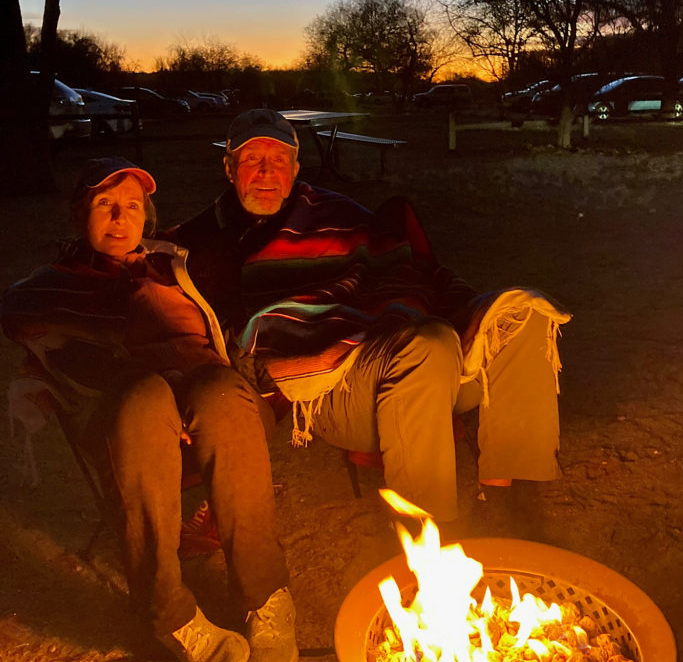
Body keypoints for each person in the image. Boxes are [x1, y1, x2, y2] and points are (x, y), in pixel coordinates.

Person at [172, 110, 571, 533]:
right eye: (253, 159)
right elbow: (160, 306)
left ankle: (503, 499)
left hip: (414, 356)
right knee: (428, 344)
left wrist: (467, 311)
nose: (267, 171)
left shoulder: (335, 212)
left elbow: (410, 267)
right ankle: (428, 541)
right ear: (229, 167)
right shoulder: (205, 242)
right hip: (336, 385)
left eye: (279, 158)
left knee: (524, 310)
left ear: (296, 167)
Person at [1, 157, 297, 662]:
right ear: (80, 214)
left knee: (223, 396)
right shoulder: (55, 281)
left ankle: (265, 595)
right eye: (104, 205)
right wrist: (107, 325)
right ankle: (171, 615)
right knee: (142, 398)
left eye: (132, 207)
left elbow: (234, 319)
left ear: (147, 217)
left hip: (211, 402)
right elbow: (18, 313)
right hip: (129, 417)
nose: (120, 217)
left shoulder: (176, 266)